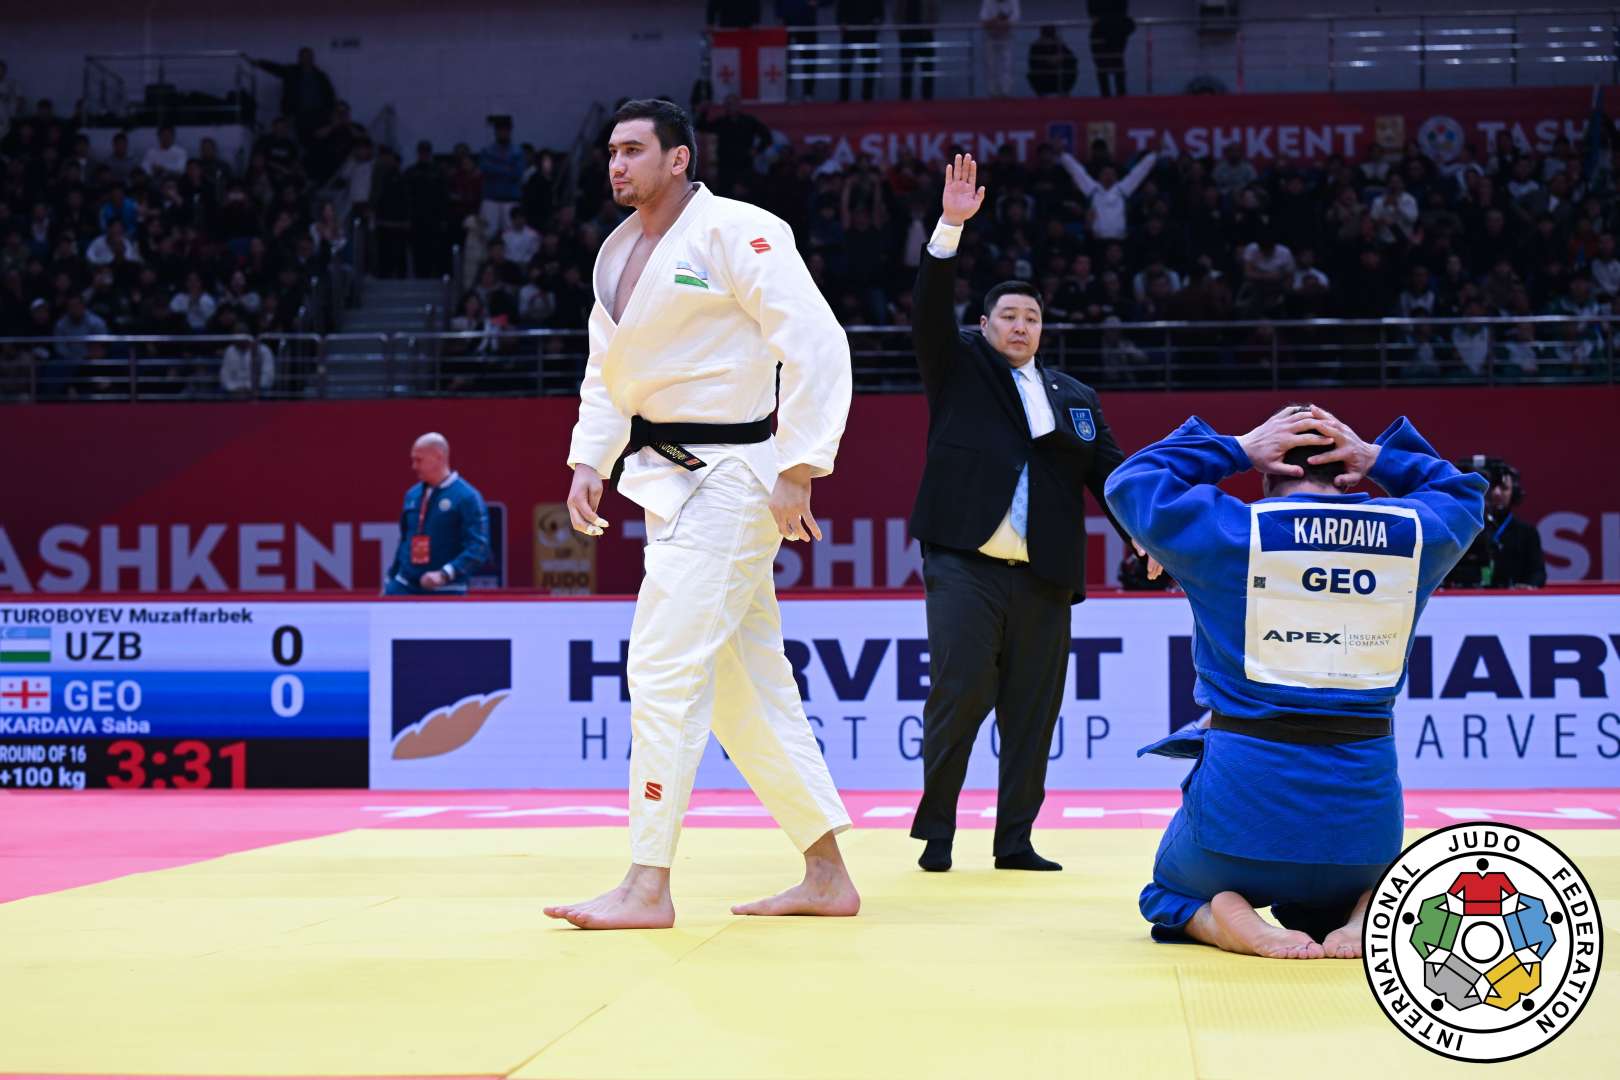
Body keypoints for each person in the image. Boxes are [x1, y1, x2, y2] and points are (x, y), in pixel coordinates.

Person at [548, 98, 858, 930]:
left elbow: (817, 343)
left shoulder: (738, 231)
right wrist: (590, 457)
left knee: (662, 668)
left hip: (731, 479)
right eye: (611, 151)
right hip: (666, 477)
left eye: (633, 150)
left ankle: (647, 884)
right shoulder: (619, 252)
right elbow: (606, 370)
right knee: (743, 688)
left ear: (678, 158)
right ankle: (827, 873)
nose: (617, 165)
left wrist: (800, 466)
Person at [1104, 405, 1486, 958]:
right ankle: (1367, 906)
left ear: (1268, 472)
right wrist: (1379, 457)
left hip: (1237, 826)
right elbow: (1464, 495)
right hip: (1363, 836)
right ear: (1348, 474)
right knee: (1338, 886)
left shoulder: (1232, 532)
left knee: (1167, 892)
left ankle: (1217, 915)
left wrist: (1236, 447)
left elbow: (1133, 481)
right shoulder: (1412, 534)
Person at [907, 154, 1129, 873]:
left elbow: (1112, 476)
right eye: (1008, 315)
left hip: (1045, 573)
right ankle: (938, 835)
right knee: (961, 691)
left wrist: (1145, 539)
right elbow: (929, 308)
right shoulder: (959, 365)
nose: (1022, 325)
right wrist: (950, 226)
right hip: (964, 561)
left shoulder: (1075, 396)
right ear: (983, 324)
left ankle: (1015, 841)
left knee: (1033, 710)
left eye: (1032, 317)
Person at [384, 432, 491, 596]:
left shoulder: (467, 497)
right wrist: (390, 580)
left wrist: (445, 574)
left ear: (438, 457)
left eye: (419, 460)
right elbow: (404, 541)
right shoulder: (412, 495)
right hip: (404, 587)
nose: (414, 466)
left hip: (447, 590)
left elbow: (479, 548)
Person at [1445, 459, 1545, 588]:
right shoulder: (1463, 527)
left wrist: (1528, 586)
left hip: (1509, 598)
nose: (1497, 493)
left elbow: (1538, 573)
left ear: (1514, 492)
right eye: (1491, 487)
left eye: (1504, 488)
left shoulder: (1527, 532)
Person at [252, 47, 337, 148]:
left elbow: (330, 96)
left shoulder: (321, 76)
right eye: (304, 57)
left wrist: (330, 117)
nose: (307, 59)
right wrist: (260, 63)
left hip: (318, 115)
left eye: (309, 57)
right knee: (298, 142)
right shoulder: (292, 72)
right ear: (299, 58)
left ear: (312, 58)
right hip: (297, 115)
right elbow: (277, 69)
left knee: (318, 143)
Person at [478, 116, 524, 237]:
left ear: (510, 131)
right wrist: (506, 167)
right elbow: (485, 169)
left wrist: (496, 167)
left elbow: (517, 173)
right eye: (500, 130)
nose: (503, 133)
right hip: (491, 199)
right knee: (487, 235)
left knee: (512, 236)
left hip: (511, 199)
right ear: (496, 132)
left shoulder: (517, 151)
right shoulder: (487, 151)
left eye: (505, 130)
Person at [1086, 0, 1135, 98]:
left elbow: (1092, 11)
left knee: (1107, 63)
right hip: (1113, 30)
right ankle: (1117, 94)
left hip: (1105, 30)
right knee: (1112, 62)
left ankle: (1110, 94)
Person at [896, 0, 940, 101]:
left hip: (925, 35)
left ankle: (927, 99)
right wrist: (900, 30)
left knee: (928, 69)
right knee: (906, 69)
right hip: (907, 35)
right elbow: (897, 12)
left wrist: (930, 27)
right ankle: (905, 99)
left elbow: (934, 10)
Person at [980, 0, 1021, 98]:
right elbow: (984, 23)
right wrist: (999, 20)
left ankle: (1006, 93)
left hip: (1007, 38)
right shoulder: (987, 1)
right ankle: (992, 94)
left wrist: (995, 22)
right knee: (990, 66)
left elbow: (1014, 21)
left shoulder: (1013, 1)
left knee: (1007, 66)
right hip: (990, 38)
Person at [1027, 24, 1078, 97]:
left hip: (1058, 75)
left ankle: (1064, 93)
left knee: (1069, 68)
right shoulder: (1035, 47)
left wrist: (1061, 58)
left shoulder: (1060, 45)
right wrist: (1048, 61)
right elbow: (1033, 64)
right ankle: (1042, 95)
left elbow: (1072, 59)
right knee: (1033, 73)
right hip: (1044, 76)